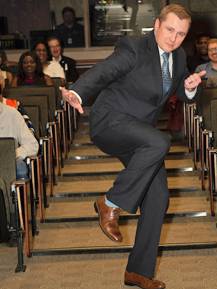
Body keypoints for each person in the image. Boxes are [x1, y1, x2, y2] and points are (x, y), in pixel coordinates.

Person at [60, 4, 205, 289]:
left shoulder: (179, 57)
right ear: (156, 24)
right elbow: (104, 71)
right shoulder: (135, 47)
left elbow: (180, 91)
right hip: (110, 122)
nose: (174, 38)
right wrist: (77, 91)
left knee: (158, 196)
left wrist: (189, 87)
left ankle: (138, 272)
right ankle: (110, 203)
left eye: (181, 34)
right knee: (160, 140)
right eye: (170, 30)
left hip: (139, 137)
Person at [0, 85, 39, 179]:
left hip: (9, 161)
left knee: (20, 168)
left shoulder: (13, 114)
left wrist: (12, 154)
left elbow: (32, 145)